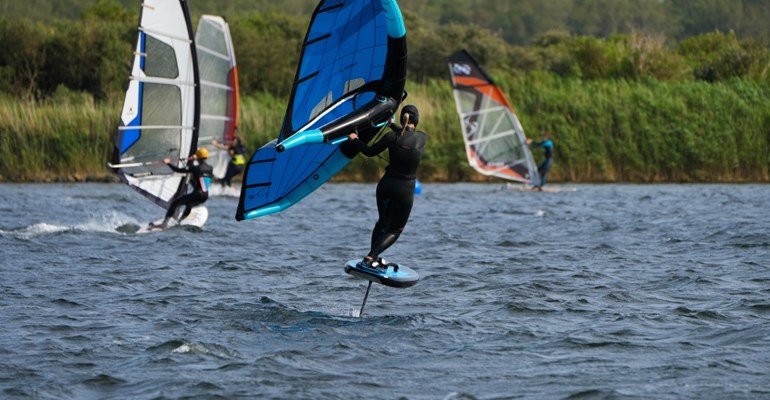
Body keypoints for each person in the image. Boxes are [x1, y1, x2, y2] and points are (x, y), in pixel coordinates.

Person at [347, 105, 426, 269]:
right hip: (404, 189)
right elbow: (407, 137)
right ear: (416, 121)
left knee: (383, 223)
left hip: (386, 185)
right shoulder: (421, 138)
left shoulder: (391, 137)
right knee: (395, 230)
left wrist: (354, 138)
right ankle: (370, 258)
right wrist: (393, 125)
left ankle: (372, 257)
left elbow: (369, 151)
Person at [150, 147, 213, 229]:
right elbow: (198, 175)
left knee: (175, 203)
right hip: (205, 196)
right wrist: (193, 160)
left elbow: (178, 170)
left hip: (197, 194)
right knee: (189, 205)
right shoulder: (210, 168)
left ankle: (164, 224)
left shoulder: (196, 168)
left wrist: (168, 163)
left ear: (197, 156)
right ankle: (179, 222)